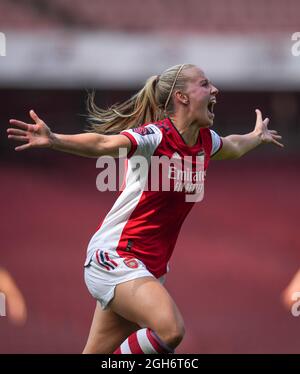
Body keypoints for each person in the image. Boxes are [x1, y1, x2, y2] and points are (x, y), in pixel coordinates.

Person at [7, 64, 283, 354]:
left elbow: (232, 146)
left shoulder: (203, 140)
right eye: (204, 84)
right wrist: (54, 139)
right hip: (116, 257)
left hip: (147, 268)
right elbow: (103, 143)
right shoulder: (155, 137)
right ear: (182, 97)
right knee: (171, 330)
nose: (214, 90)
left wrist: (256, 137)